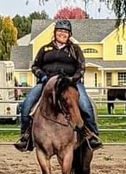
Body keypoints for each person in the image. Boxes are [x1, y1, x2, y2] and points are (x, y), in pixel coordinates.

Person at [14, 19, 103, 151]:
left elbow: (81, 68)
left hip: (70, 83)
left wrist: (73, 79)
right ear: (55, 32)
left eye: (66, 32)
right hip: (47, 83)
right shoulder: (45, 49)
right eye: (60, 31)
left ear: (70, 34)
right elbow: (35, 66)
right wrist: (42, 76)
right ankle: (26, 135)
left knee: (84, 104)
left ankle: (91, 134)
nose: (63, 34)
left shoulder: (75, 49)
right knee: (27, 103)